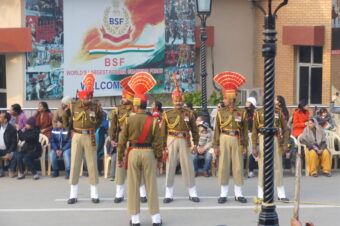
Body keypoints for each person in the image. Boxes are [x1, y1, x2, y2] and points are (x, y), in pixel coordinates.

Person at [117, 72, 162, 226]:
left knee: (133, 185)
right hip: (149, 153)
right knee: (151, 185)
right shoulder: (153, 121)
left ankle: (135, 219)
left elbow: (122, 141)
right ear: (146, 104)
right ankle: (155, 218)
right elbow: (158, 142)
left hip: (133, 153)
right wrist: (160, 160)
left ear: (135, 104)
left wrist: (120, 158)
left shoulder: (129, 120)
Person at [62, 73, 104, 204]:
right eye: (86, 98)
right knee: (74, 164)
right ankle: (73, 195)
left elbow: (100, 118)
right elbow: (64, 116)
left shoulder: (95, 106)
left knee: (92, 164)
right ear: (81, 97)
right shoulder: (73, 105)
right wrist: (70, 130)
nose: (88, 100)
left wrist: (94, 127)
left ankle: (95, 194)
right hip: (77, 135)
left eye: (90, 98)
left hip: (90, 135)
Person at [161, 73, 200, 203]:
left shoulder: (189, 113)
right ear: (172, 101)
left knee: (188, 166)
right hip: (171, 140)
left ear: (182, 100)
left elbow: (195, 130)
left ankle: (192, 193)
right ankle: (168, 194)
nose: (178, 102)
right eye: (176, 100)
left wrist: (196, 144)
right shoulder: (167, 114)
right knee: (170, 166)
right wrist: (162, 147)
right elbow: (163, 132)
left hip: (185, 141)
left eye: (180, 100)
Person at [110, 76, 147, 203]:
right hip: (122, 141)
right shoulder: (118, 110)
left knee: (139, 168)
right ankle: (119, 194)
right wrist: (112, 139)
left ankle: (142, 193)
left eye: (125, 97)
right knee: (120, 169)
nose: (123, 98)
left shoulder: (139, 110)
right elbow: (113, 126)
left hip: (136, 142)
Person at [213, 71, 248, 204]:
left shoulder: (241, 113)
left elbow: (244, 130)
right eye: (225, 98)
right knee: (223, 166)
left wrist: (245, 145)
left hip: (237, 139)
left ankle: (238, 194)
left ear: (232, 98)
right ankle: (223, 194)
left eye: (227, 98)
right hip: (224, 138)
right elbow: (216, 130)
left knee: (238, 167)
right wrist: (215, 145)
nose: (225, 100)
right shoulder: (220, 113)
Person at [252, 104, 290, 201]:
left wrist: (285, 143)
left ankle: (281, 194)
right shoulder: (258, 112)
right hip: (262, 138)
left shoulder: (278, 112)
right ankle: (261, 195)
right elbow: (254, 131)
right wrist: (253, 147)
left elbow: (285, 129)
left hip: (275, 138)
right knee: (262, 167)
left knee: (278, 166)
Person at [0, 112, 18, 177]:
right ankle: (1, 171)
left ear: (5, 120)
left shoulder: (12, 129)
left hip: (8, 149)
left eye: (0, 117)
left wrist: (9, 152)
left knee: (14, 154)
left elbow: (14, 143)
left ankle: (11, 170)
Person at [244, 97, 257, 178]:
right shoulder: (244, 112)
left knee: (251, 152)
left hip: (252, 134)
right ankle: (246, 170)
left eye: (248, 102)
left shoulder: (255, 113)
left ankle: (250, 170)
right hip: (245, 134)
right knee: (245, 152)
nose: (246, 103)